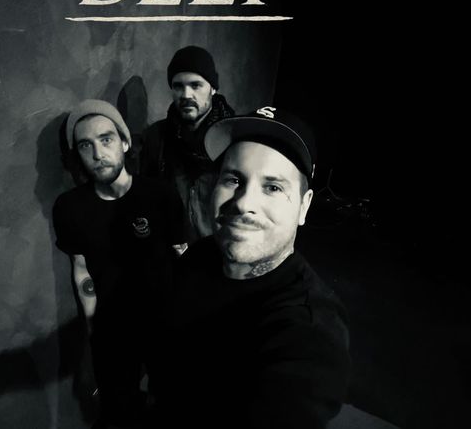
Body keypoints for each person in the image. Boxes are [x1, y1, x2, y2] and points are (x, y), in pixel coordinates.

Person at [150, 107, 351, 429]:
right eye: (233, 179)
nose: (243, 203)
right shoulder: (202, 255)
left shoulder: (308, 333)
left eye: (273, 187)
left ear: (304, 206)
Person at [52, 99, 186, 427]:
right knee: (119, 411)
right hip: (111, 329)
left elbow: (181, 253)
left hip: (163, 320)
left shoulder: (160, 194)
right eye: (86, 145)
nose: (98, 153)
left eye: (106, 139)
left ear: (125, 142)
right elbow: (81, 268)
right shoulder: (69, 208)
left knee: (174, 401)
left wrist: (185, 317)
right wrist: (92, 326)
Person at [140, 45, 235, 243]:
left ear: (213, 88)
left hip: (219, 250)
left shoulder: (234, 138)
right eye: (178, 86)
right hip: (173, 250)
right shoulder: (157, 137)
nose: (185, 95)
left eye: (195, 85)